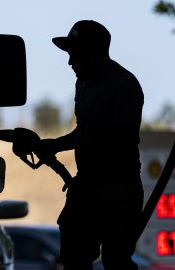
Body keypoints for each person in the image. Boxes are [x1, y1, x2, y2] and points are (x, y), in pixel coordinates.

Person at [38, 20, 144, 270]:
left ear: (94, 54)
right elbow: (86, 131)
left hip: (117, 190)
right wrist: (54, 145)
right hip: (87, 186)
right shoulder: (83, 84)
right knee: (73, 255)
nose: (70, 62)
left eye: (74, 54)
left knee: (116, 261)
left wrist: (87, 183)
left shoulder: (124, 85)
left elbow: (116, 139)